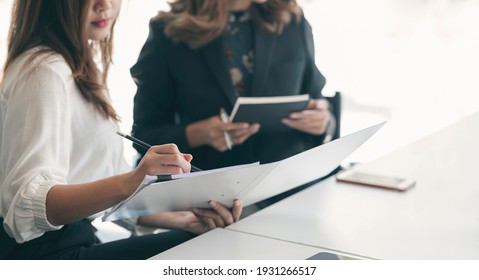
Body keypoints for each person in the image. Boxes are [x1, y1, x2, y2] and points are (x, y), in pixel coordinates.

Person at [0, 0, 242, 260]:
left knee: (209, 241)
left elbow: (98, 189)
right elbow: (25, 204)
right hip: (45, 254)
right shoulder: (45, 70)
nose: (104, 5)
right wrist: (132, 180)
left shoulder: (77, 66)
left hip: (73, 240)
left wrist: (183, 219)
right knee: (211, 252)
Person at [130, 0, 335, 172]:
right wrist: (196, 134)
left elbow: (320, 104)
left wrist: (323, 123)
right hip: (210, 194)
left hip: (288, 183)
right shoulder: (168, 31)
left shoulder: (293, 21)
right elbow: (144, 135)